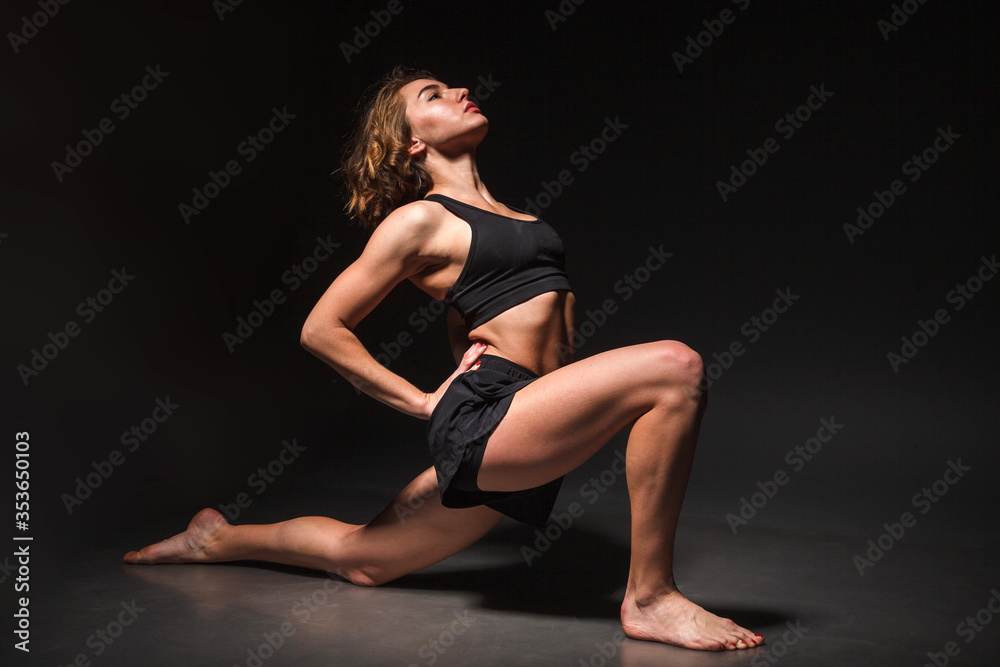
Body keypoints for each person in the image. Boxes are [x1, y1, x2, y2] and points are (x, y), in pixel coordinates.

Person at [124, 66, 763, 652]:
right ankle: (650, 598)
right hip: (487, 422)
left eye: (451, 86)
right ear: (410, 145)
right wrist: (425, 401)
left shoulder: (518, 218)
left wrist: (498, 363)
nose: (459, 91)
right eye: (433, 96)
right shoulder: (419, 220)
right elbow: (322, 328)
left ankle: (217, 538)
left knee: (363, 557)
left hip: (525, 416)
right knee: (675, 367)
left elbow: (485, 315)